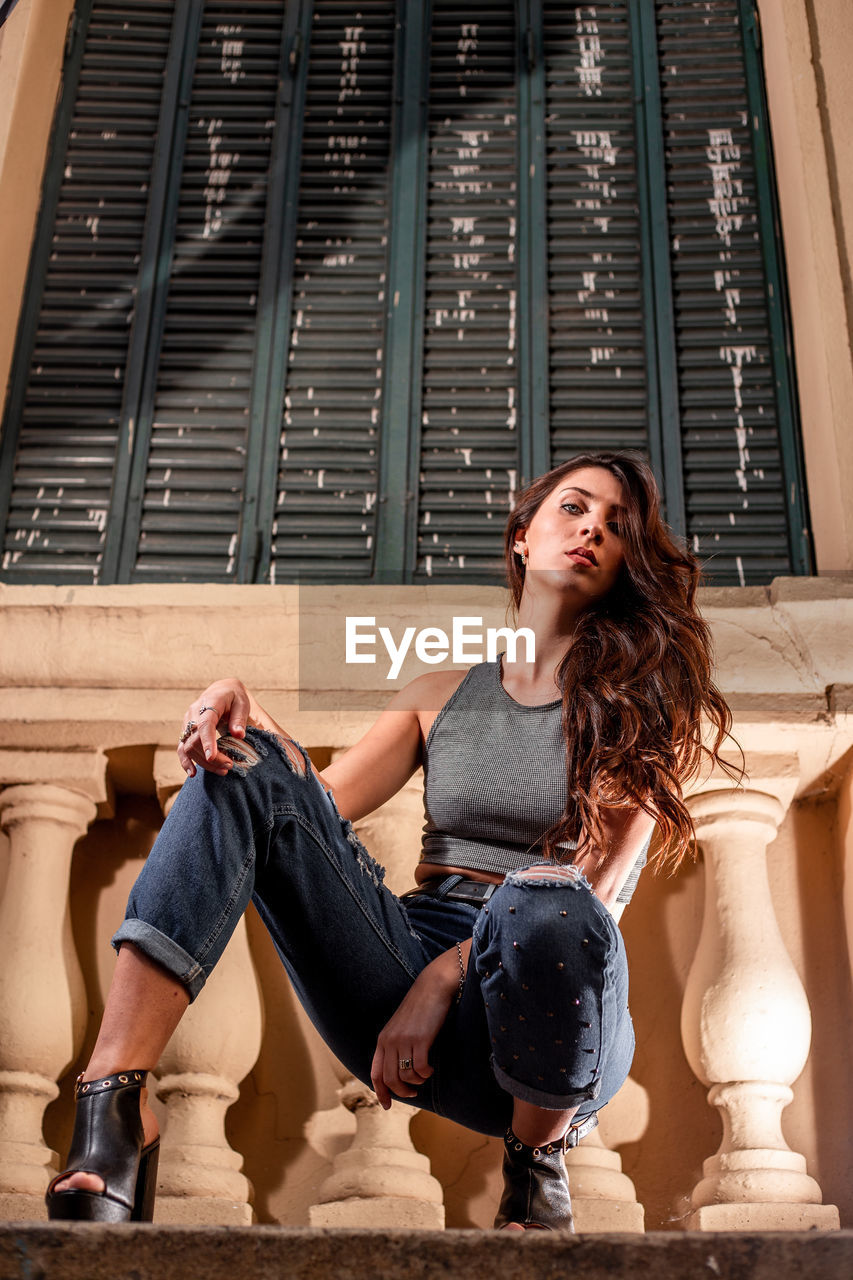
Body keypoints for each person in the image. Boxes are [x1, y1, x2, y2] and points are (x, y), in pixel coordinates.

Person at [46, 450, 737, 1230]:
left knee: (546, 902)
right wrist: (248, 714)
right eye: (574, 509)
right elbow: (306, 811)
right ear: (522, 535)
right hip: (402, 966)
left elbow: (594, 897)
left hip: (548, 1010)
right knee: (237, 768)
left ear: (624, 564)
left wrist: (442, 980)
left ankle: (537, 1165)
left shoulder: (640, 702)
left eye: (617, 527)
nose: (592, 532)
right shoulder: (438, 694)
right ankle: (113, 1107)